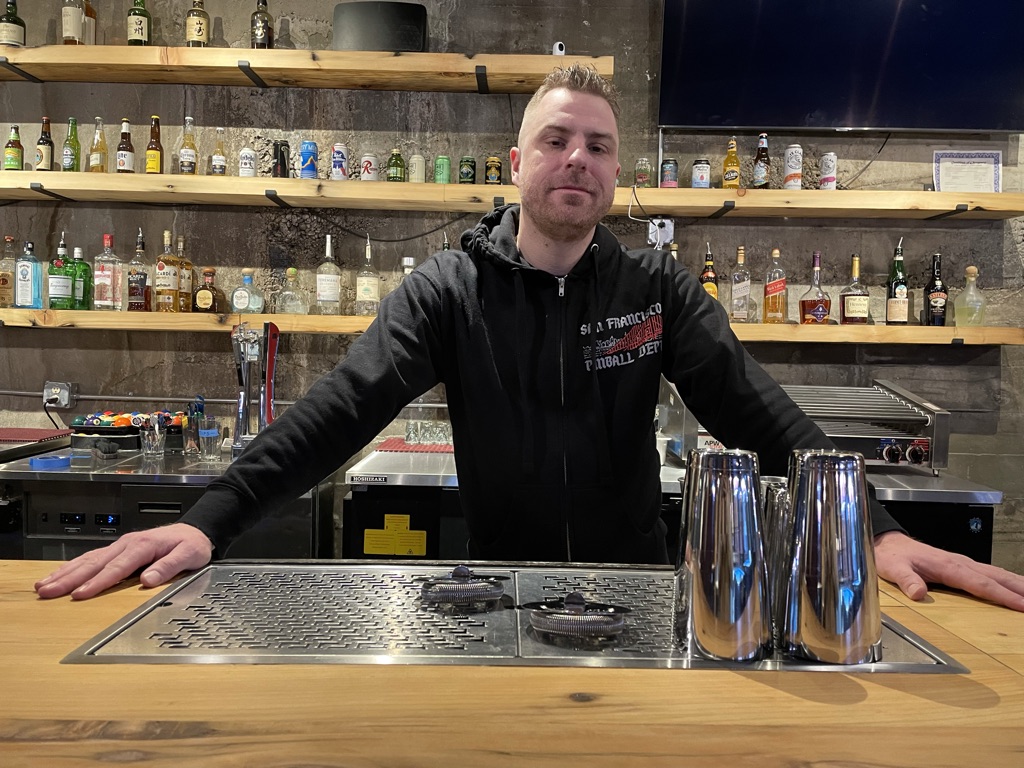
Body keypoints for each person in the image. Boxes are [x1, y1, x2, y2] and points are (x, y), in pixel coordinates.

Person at [36, 64, 1024, 612]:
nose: (576, 159)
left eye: (597, 145)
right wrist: (209, 519)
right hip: (500, 585)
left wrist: (876, 530)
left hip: (638, 591)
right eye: (556, 140)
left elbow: (757, 411)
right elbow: (338, 411)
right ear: (517, 162)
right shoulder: (447, 290)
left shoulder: (654, 289)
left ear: (615, 174)